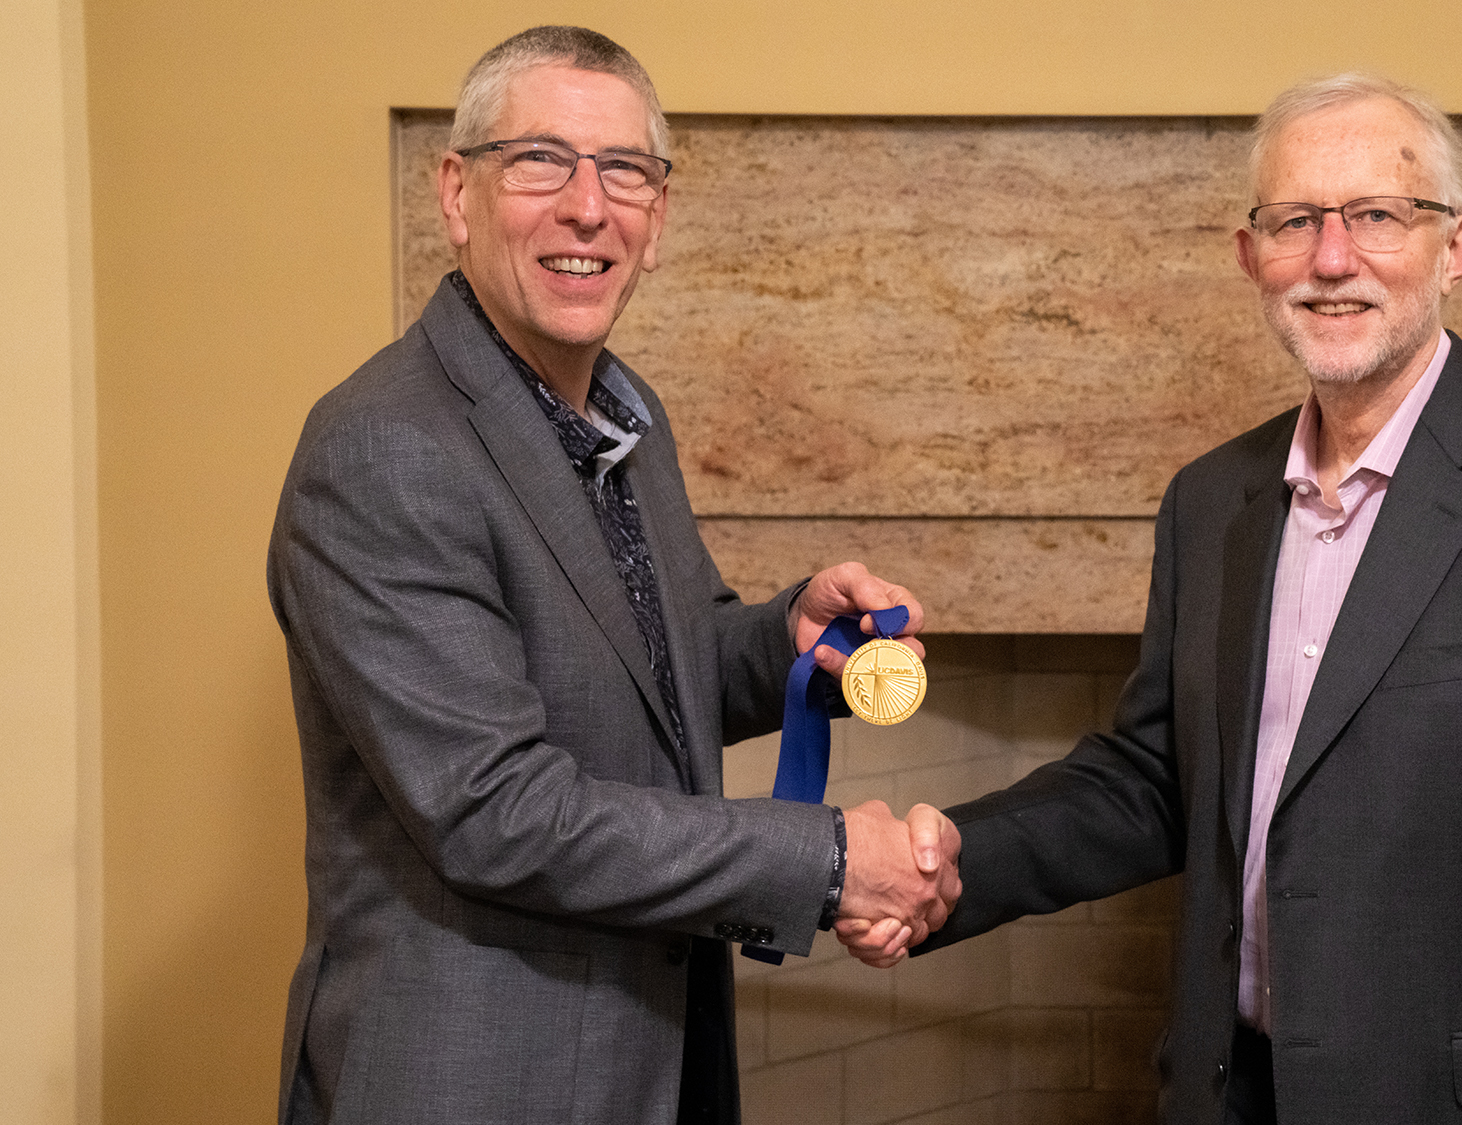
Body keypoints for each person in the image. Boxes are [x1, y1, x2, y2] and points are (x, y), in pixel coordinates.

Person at [839, 74, 1462, 1124]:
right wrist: (953, 863)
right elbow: (1156, 781)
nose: (1331, 258)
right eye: (1294, 222)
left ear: (1456, 246)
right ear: (1249, 257)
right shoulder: (1210, 502)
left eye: (1375, 215)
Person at [267, 26, 956, 1125]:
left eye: (625, 170)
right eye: (539, 159)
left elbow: (647, 675)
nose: (588, 206)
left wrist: (788, 642)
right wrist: (827, 861)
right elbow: (500, 812)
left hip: (652, 1061)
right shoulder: (383, 449)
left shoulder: (622, 414)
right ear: (456, 194)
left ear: (659, 216)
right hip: (477, 1079)